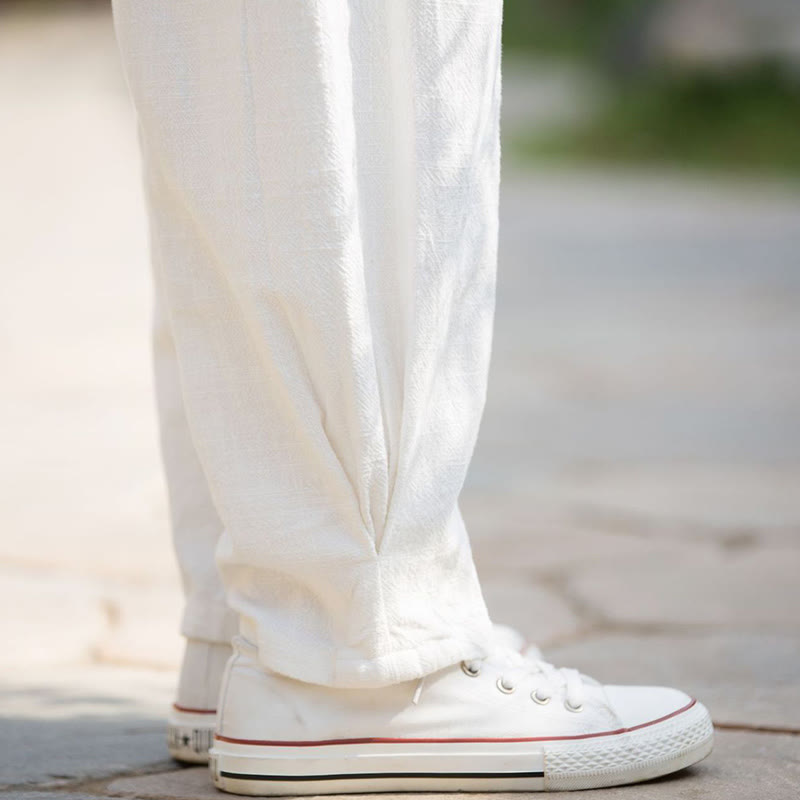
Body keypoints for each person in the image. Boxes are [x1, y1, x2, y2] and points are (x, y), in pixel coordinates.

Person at [111, 1, 713, 793]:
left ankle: (262, 628)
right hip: (354, 644)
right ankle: (359, 658)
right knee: (370, 38)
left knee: (227, 58)